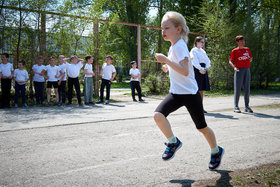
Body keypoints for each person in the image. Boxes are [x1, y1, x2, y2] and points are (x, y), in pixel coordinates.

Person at [153, 11, 224, 170]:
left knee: (202, 128)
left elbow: (185, 71)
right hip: (176, 93)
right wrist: (167, 65)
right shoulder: (173, 47)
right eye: (162, 28)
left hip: (191, 95)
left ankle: (216, 151)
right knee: (158, 116)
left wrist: (165, 60)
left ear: (178, 29)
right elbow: (178, 66)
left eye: (167, 27)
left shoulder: (180, 47)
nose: (163, 31)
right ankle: (173, 142)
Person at [229, 35, 253, 113]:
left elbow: (250, 59)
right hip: (239, 71)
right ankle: (236, 106)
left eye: (244, 41)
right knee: (238, 89)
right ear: (237, 42)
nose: (243, 42)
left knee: (247, 89)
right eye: (241, 41)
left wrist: (250, 59)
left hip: (247, 70)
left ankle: (247, 106)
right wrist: (234, 67)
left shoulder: (247, 49)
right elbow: (230, 61)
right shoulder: (234, 51)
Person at [190, 36, 211, 113]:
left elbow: (208, 61)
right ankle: (194, 107)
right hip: (197, 71)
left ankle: (200, 107)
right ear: (196, 42)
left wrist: (205, 68)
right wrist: (200, 69)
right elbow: (194, 61)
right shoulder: (193, 50)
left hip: (203, 70)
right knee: (196, 90)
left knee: (201, 90)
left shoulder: (203, 51)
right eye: (201, 42)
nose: (203, 43)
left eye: (203, 42)